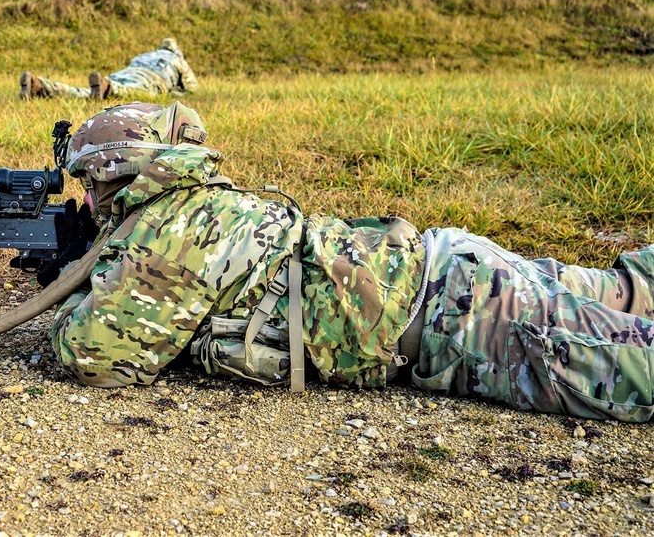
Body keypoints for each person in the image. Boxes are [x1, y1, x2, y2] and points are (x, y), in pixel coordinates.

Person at [49, 101, 654, 423]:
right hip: (449, 269)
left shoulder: (174, 229)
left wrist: (74, 289)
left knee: (633, 370)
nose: (86, 200)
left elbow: (98, 356)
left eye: (88, 183)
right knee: (627, 290)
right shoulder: (201, 205)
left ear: (115, 174)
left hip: (466, 319)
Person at [19, 38, 199, 101]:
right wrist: (174, 93)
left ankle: (41, 85)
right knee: (136, 93)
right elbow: (192, 88)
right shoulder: (176, 59)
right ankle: (110, 88)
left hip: (124, 73)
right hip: (151, 79)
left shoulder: (146, 54)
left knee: (86, 92)